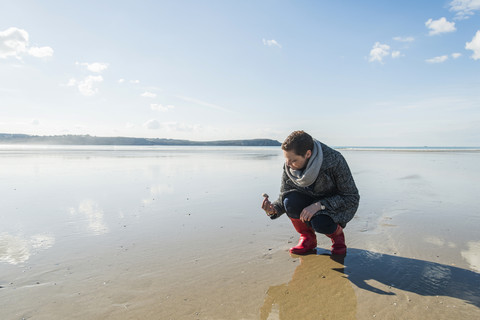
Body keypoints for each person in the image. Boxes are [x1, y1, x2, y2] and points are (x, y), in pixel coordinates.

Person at [261, 130, 359, 255]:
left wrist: (320, 205)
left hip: (333, 206)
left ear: (308, 154)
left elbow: (351, 197)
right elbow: (284, 194)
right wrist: (273, 209)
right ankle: (307, 239)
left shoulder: (335, 160)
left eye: (293, 160)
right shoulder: (289, 164)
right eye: (286, 159)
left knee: (320, 223)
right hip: (307, 201)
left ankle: (338, 237)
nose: (288, 164)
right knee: (289, 201)